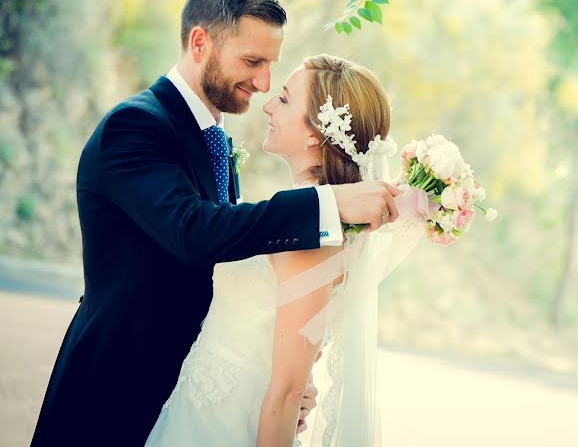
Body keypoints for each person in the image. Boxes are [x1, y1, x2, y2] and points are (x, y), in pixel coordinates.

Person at [31, 0, 400, 447]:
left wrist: (274, 380)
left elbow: (231, 269)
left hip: (189, 405)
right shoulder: (136, 127)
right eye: (252, 61)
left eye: (271, 66)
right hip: (112, 396)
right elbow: (194, 231)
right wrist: (324, 203)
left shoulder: (216, 143)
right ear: (200, 42)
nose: (264, 83)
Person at [145, 54, 408, 446]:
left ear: (314, 135)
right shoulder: (303, 216)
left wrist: (296, 389)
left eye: (284, 99)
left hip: (228, 423)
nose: (267, 103)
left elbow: (286, 392)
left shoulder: (313, 235)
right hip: (203, 405)